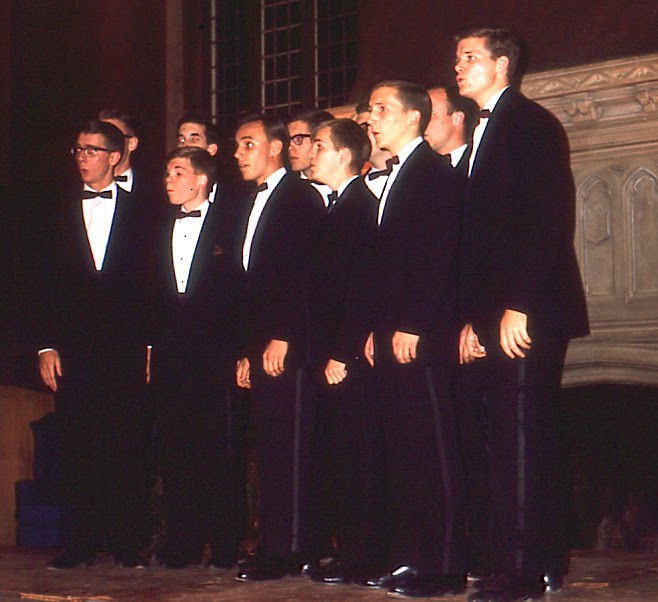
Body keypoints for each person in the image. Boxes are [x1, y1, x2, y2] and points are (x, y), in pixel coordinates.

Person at [454, 27, 589, 602]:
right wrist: (471, 319)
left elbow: (547, 220)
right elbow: (480, 240)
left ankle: (523, 571)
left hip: (527, 308)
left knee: (520, 439)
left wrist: (520, 306)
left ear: (502, 64)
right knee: (504, 439)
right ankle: (534, 559)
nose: (458, 66)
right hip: (493, 311)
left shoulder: (531, 124)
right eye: (457, 57)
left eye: (469, 57)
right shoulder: (483, 130)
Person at [359, 81, 467, 598]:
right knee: (403, 448)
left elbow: (438, 257)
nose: (372, 118)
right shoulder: (398, 173)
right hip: (392, 332)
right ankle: (411, 558)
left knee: (432, 448)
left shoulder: (433, 173)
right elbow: (388, 265)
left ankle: (443, 565)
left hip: (420, 334)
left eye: (382, 109)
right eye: (371, 110)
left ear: (412, 117)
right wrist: (376, 330)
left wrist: (414, 323)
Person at [38, 120, 151, 570]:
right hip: (73, 349)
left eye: (91, 150)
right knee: (77, 444)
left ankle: (128, 542)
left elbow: (154, 283)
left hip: (126, 348)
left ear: (114, 157)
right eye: (78, 150)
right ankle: (78, 542)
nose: (82, 158)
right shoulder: (54, 208)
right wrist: (45, 345)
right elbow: (40, 283)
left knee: (127, 443)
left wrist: (150, 345)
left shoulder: (146, 209)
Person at [232, 113, 326, 581]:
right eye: (237, 145)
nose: (238, 154)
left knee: (290, 446)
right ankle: (277, 542)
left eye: (248, 144)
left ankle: (289, 548)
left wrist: (284, 336)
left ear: (276, 147)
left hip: (288, 344)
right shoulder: (249, 201)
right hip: (260, 344)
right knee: (270, 447)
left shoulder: (300, 198)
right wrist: (245, 351)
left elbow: (305, 276)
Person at [147, 146, 243, 569]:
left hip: (215, 354)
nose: (168, 180)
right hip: (170, 355)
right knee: (175, 449)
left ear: (201, 180)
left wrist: (240, 352)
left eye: (177, 172)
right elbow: (149, 295)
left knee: (217, 450)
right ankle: (182, 544)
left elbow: (241, 293)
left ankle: (224, 544)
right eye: (167, 172)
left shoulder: (230, 224)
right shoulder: (155, 226)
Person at [300, 119, 385, 584]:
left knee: (359, 457)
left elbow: (362, 290)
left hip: (346, 358)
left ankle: (363, 556)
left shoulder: (358, 208)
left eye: (319, 146)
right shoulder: (339, 206)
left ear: (345, 155)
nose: (311, 154)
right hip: (333, 354)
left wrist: (343, 353)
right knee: (343, 456)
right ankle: (352, 551)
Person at [424, 84, 478, 172]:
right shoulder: (418, 168)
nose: (422, 122)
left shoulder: (479, 164)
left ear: (457, 119)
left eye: (431, 114)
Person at [286, 108, 334, 205]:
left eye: (298, 139)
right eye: (287, 140)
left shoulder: (347, 185)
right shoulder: (285, 190)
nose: (290, 147)